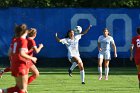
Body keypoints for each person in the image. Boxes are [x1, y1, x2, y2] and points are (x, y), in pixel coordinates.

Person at [0, 24, 37, 93]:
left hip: (14, 65)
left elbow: (9, 53)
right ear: (24, 32)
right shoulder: (23, 41)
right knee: (22, 89)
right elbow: (22, 53)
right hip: (21, 66)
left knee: (18, 88)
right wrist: (32, 58)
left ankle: (2, 91)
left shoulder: (15, 41)